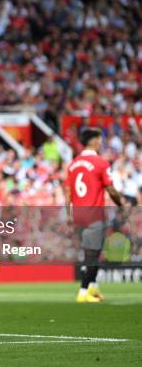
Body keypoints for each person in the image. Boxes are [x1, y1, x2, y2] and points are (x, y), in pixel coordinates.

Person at [65, 127, 125, 303]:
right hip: (94, 214)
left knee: (89, 253)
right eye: (100, 139)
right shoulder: (100, 163)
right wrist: (121, 204)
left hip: (78, 215)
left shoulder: (73, 164)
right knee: (93, 255)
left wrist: (69, 213)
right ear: (94, 141)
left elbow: (68, 192)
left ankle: (94, 288)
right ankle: (83, 292)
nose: (102, 142)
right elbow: (111, 189)